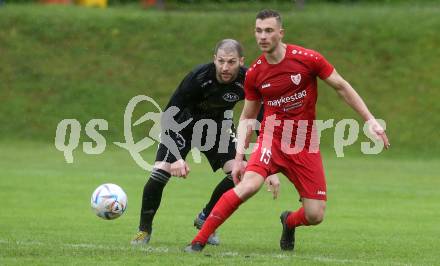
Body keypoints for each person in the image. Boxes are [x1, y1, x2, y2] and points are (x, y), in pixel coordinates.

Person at [185, 10, 390, 252]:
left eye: (269, 31)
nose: (263, 36)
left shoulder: (307, 59)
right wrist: (239, 158)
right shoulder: (255, 73)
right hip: (271, 139)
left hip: (304, 143)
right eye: (259, 31)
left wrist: (370, 120)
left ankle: (289, 221)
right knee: (249, 185)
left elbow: (342, 87)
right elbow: (248, 116)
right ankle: (198, 241)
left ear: (280, 33)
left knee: (315, 215)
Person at [131, 39, 280, 246]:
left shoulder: (249, 79)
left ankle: (205, 219)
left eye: (231, 62)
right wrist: (175, 158)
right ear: (214, 59)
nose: (225, 67)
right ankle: (143, 231)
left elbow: (260, 121)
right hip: (182, 125)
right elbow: (168, 116)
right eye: (221, 61)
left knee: (242, 173)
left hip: (217, 128)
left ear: (241, 61)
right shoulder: (199, 77)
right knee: (160, 171)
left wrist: (268, 169)